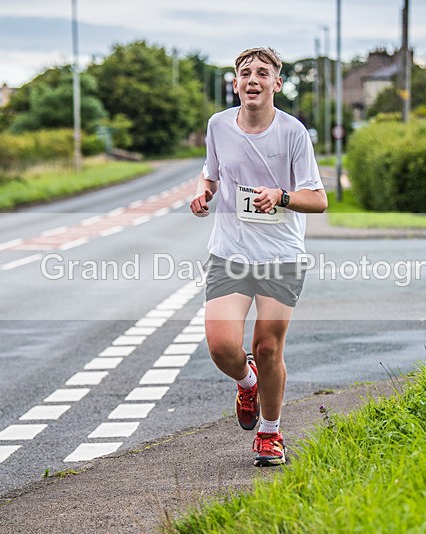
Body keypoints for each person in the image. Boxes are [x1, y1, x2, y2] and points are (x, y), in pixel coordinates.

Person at [189, 47, 327, 467]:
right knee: (221, 346)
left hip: (280, 255)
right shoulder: (218, 125)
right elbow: (210, 173)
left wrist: (281, 196)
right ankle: (246, 382)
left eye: (262, 73)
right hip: (229, 252)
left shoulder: (293, 133)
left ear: (276, 84)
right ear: (236, 84)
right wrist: (204, 192)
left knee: (267, 348)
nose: (253, 79)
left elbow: (318, 199)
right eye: (245, 73)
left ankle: (270, 432)